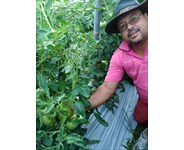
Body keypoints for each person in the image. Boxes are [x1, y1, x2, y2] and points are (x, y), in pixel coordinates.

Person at [87, 0, 148, 149]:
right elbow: (107, 88)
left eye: (134, 18)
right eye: (123, 26)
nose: (130, 27)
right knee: (139, 117)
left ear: (147, 16)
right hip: (146, 99)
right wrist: (79, 106)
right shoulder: (120, 55)